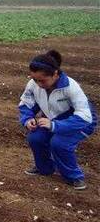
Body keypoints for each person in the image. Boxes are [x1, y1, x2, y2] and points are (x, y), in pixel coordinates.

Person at [19, 50, 96, 191]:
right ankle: (45, 168)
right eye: (35, 79)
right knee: (35, 138)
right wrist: (28, 118)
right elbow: (26, 103)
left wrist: (55, 125)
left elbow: (85, 116)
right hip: (53, 119)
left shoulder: (70, 87)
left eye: (42, 80)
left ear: (55, 74)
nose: (38, 84)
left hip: (80, 122)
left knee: (59, 143)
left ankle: (74, 177)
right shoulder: (34, 84)